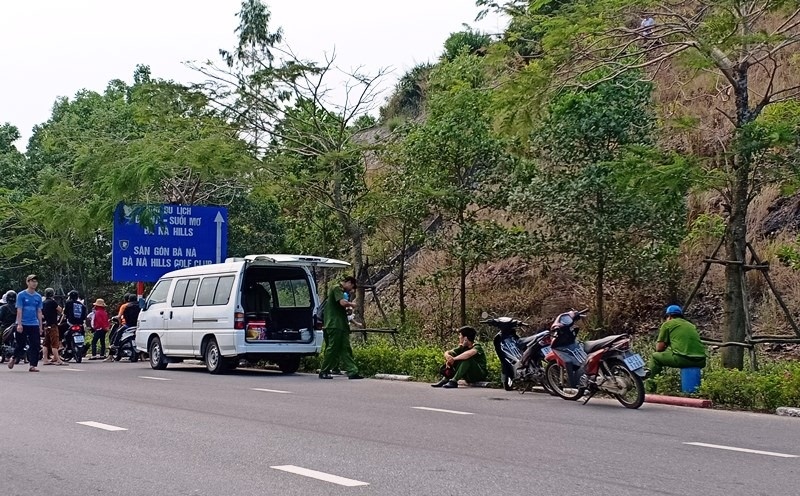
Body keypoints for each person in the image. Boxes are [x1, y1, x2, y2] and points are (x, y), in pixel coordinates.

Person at [646, 305, 706, 391]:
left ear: (669, 316)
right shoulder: (691, 325)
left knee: (655, 357)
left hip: (683, 359)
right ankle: (694, 392)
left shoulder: (667, 324)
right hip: (701, 360)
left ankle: (650, 389)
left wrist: (667, 344)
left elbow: (659, 348)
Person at [318, 276, 363, 380]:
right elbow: (342, 303)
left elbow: (342, 307)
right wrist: (353, 304)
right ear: (349, 282)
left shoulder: (342, 291)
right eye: (352, 286)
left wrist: (348, 310)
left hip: (342, 325)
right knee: (333, 348)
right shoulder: (336, 288)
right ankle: (324, 370)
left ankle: (352, 371)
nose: (351, 289)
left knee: (346, 348)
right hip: (334, 324)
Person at [9, 275, 43, 372]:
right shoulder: (21, 295)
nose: (34, 283)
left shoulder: (38, 296)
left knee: (35, 344)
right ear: (27, 282)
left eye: (36, 281)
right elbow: (19, 310)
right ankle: (14, 357)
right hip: (23, 323)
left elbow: (39, 312)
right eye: (32, 281)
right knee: (21, 344)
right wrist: (19, 324)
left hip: (34, 324)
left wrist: (40, 326)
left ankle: (33, 365)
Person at [42, 287, 66, 365]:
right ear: (53, 294)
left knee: (46, 343)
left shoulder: (43, 303)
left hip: (46, 325)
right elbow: (60, 310)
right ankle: (58, 360)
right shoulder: (53, 302)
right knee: (55, 343)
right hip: (53, 325)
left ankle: (45, 359)